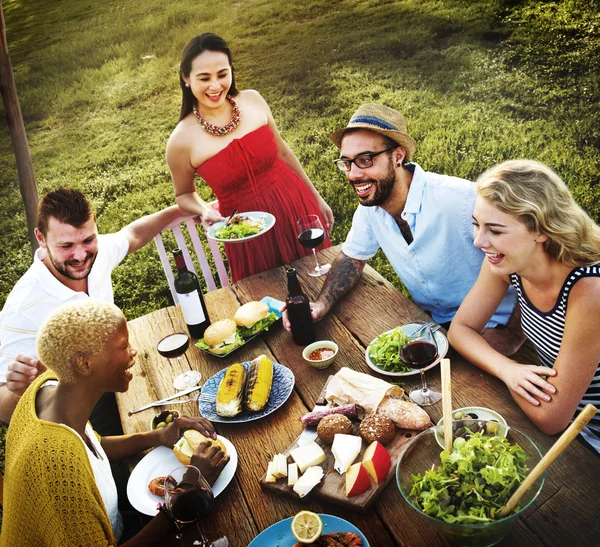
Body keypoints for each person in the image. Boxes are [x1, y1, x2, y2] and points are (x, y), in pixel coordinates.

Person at [0, 299, 228, 546]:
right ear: (85, 364)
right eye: (123, 346)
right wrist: (186, 492)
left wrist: (159, 436)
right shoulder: (56, 463)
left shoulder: (52, 388)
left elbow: (93, 448)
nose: (133, 351)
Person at [284, 103, 517, 343]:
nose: (353, 174)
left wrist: (513, 333)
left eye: (365, 160)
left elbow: (528, 255)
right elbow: (351, 258)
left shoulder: (461, 199)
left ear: (397, 156)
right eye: (347, 163)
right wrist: (321, 304)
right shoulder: (371, 208)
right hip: (435, 327)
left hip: (493, 324)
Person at [448, 160, 600, 451]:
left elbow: (552, 418)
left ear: (540, 230)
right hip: (549, 401)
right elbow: (460, 329)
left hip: (586, 434)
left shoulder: (589, 289)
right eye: (477, 224)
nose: (479, 241)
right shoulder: (505, 263)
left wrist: (512, 372)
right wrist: (509, 370)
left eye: (495, 230)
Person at [0, 188, 187, 424]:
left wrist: (183, 209)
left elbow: (133, 234)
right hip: (79, 415)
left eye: (88, 240)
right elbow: (3, 409)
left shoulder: (96, 253)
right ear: (41, 238)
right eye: (66, 246)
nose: (80, 256)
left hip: (119, 377)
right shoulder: (23, 308)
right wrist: (18, 390)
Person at [166, 32, 334, 282]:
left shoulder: (253, 100)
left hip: (294, 205)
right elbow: (183, 194)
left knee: (319, 281)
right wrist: (203, 210)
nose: (215, 86)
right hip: (248, 232)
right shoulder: (180, 141)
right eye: (204, 78)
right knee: (269, 301)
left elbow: (284, 153)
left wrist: (315, 198)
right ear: (186, 78)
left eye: (222, 74)